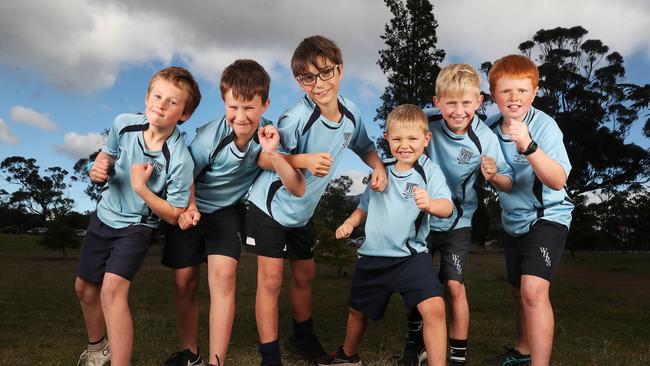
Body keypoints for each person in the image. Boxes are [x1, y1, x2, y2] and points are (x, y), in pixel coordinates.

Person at [245, 35, 388, 366]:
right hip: (270, 206)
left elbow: (364, 146)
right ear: (299, 81)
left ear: (340, 70)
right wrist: (304, 160)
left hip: (301, 212)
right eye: (309, 77)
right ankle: (270, 357)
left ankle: (302, 338)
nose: (319, 83)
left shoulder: (351, 113)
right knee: (270, 281)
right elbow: (264, 160)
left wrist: (378, 166)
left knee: (305, 273)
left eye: (326, 73)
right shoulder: (294, 119)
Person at [161, 60, 305, 366]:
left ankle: (216, 362)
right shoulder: (208, 138)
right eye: (233, 107)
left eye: (250, 108)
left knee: (223, 279)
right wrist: (189, 207)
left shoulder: (268, 136)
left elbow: (294, 184)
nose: (241, 117)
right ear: (225, 102)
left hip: (227, 214)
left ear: (265, 104)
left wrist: (274, 154)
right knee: (185, 283)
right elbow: (184, 174)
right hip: (191, 205)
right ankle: (191, 354)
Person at [74, 66, 201, 366]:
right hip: (104, 216)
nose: (161, 104)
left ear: (183, 115)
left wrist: (142, 190)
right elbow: (108, 155)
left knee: (112, 291)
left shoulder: (180, 159)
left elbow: (174, 215)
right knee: (84, 288)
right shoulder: (124, 124)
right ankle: (98, 349)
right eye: (157, 96)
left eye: (172, 101)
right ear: (146, 98)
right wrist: (99, 167)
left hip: (137, 227)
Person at [317, 104, 453, 366]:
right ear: (387, 139)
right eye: (398, 138)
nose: (405, 145)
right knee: (357, 312)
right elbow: (364, 207)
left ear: (426, 140)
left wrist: (431, 204)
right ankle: (348, 356)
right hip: (373, 257)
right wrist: (349, 222)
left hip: (410, 257)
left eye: (413, 138)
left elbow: (447, 207)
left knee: (434, 308)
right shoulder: (380, 171)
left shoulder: (430, 172)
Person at [400, 64, 513, 366]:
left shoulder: (485, 138)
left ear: (479, 101)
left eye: (466, 103)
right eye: (450, 103)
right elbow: (398, 136)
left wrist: (494, 177)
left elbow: (507, 180)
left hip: (457, 222)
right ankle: (414, 344)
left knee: (453, 285)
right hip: (420, 217)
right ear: (438, 103)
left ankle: (458, 355)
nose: (459, 110)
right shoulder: (424, 120)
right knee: (417, 283)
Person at [485, 54, 574, 366]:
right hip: (513, 220)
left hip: (548, 216)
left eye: (522, 90)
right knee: (517, 292)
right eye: (506, 91)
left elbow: (558, 179)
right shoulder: (489, 128)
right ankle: (522, 353)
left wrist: (530, 147)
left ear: (534, 92)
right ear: (493, 95)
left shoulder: (544, 126)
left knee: (533, 291)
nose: (514, 98)